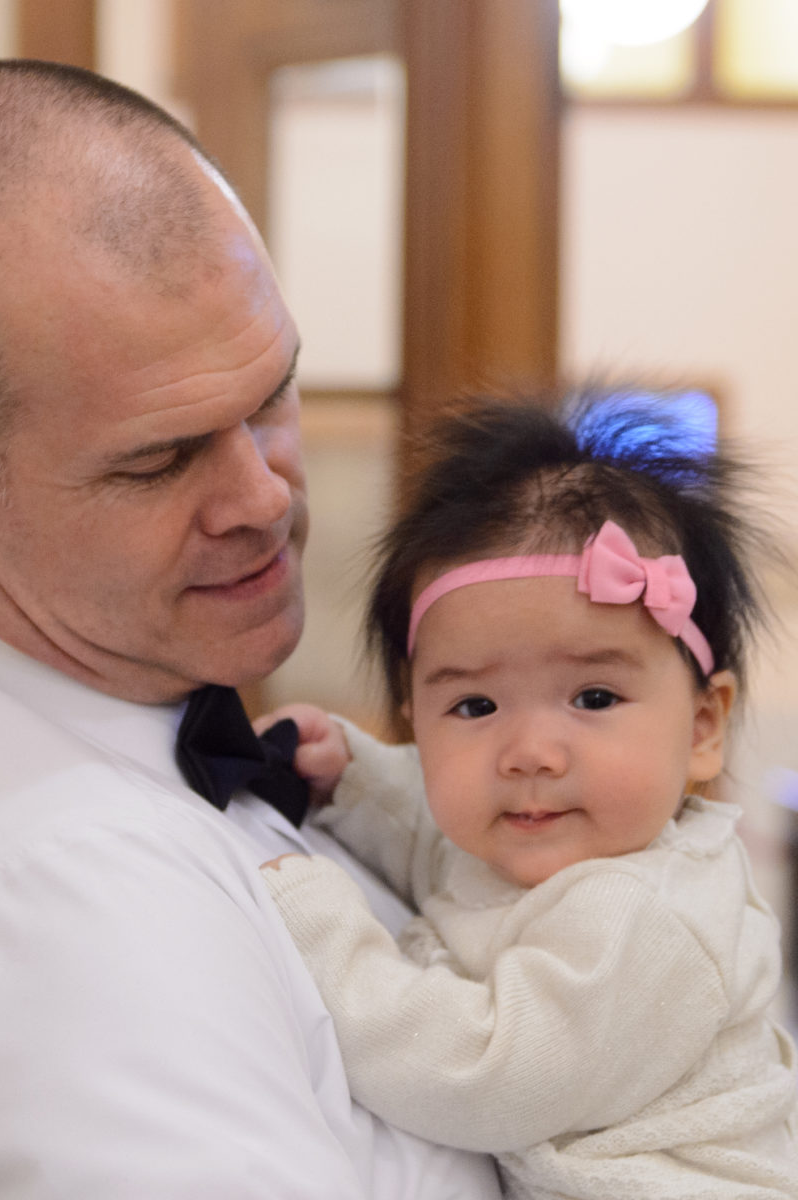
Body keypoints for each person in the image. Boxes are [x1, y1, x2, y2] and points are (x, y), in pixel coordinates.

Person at [0, 60, 502, 1199]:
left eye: (273, 395)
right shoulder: (71, 928)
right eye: (158, 457)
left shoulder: (188, 765)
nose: (264, 497)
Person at [260, 392, 798, 1198]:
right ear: (417, 721)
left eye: (593, 699)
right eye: (474, 708)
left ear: (702, 728)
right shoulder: (540, 845)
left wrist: (323, 930)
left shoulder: (648, 915)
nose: (531, 755)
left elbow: (480, 1072)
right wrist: (353, 779)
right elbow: (441, 852)